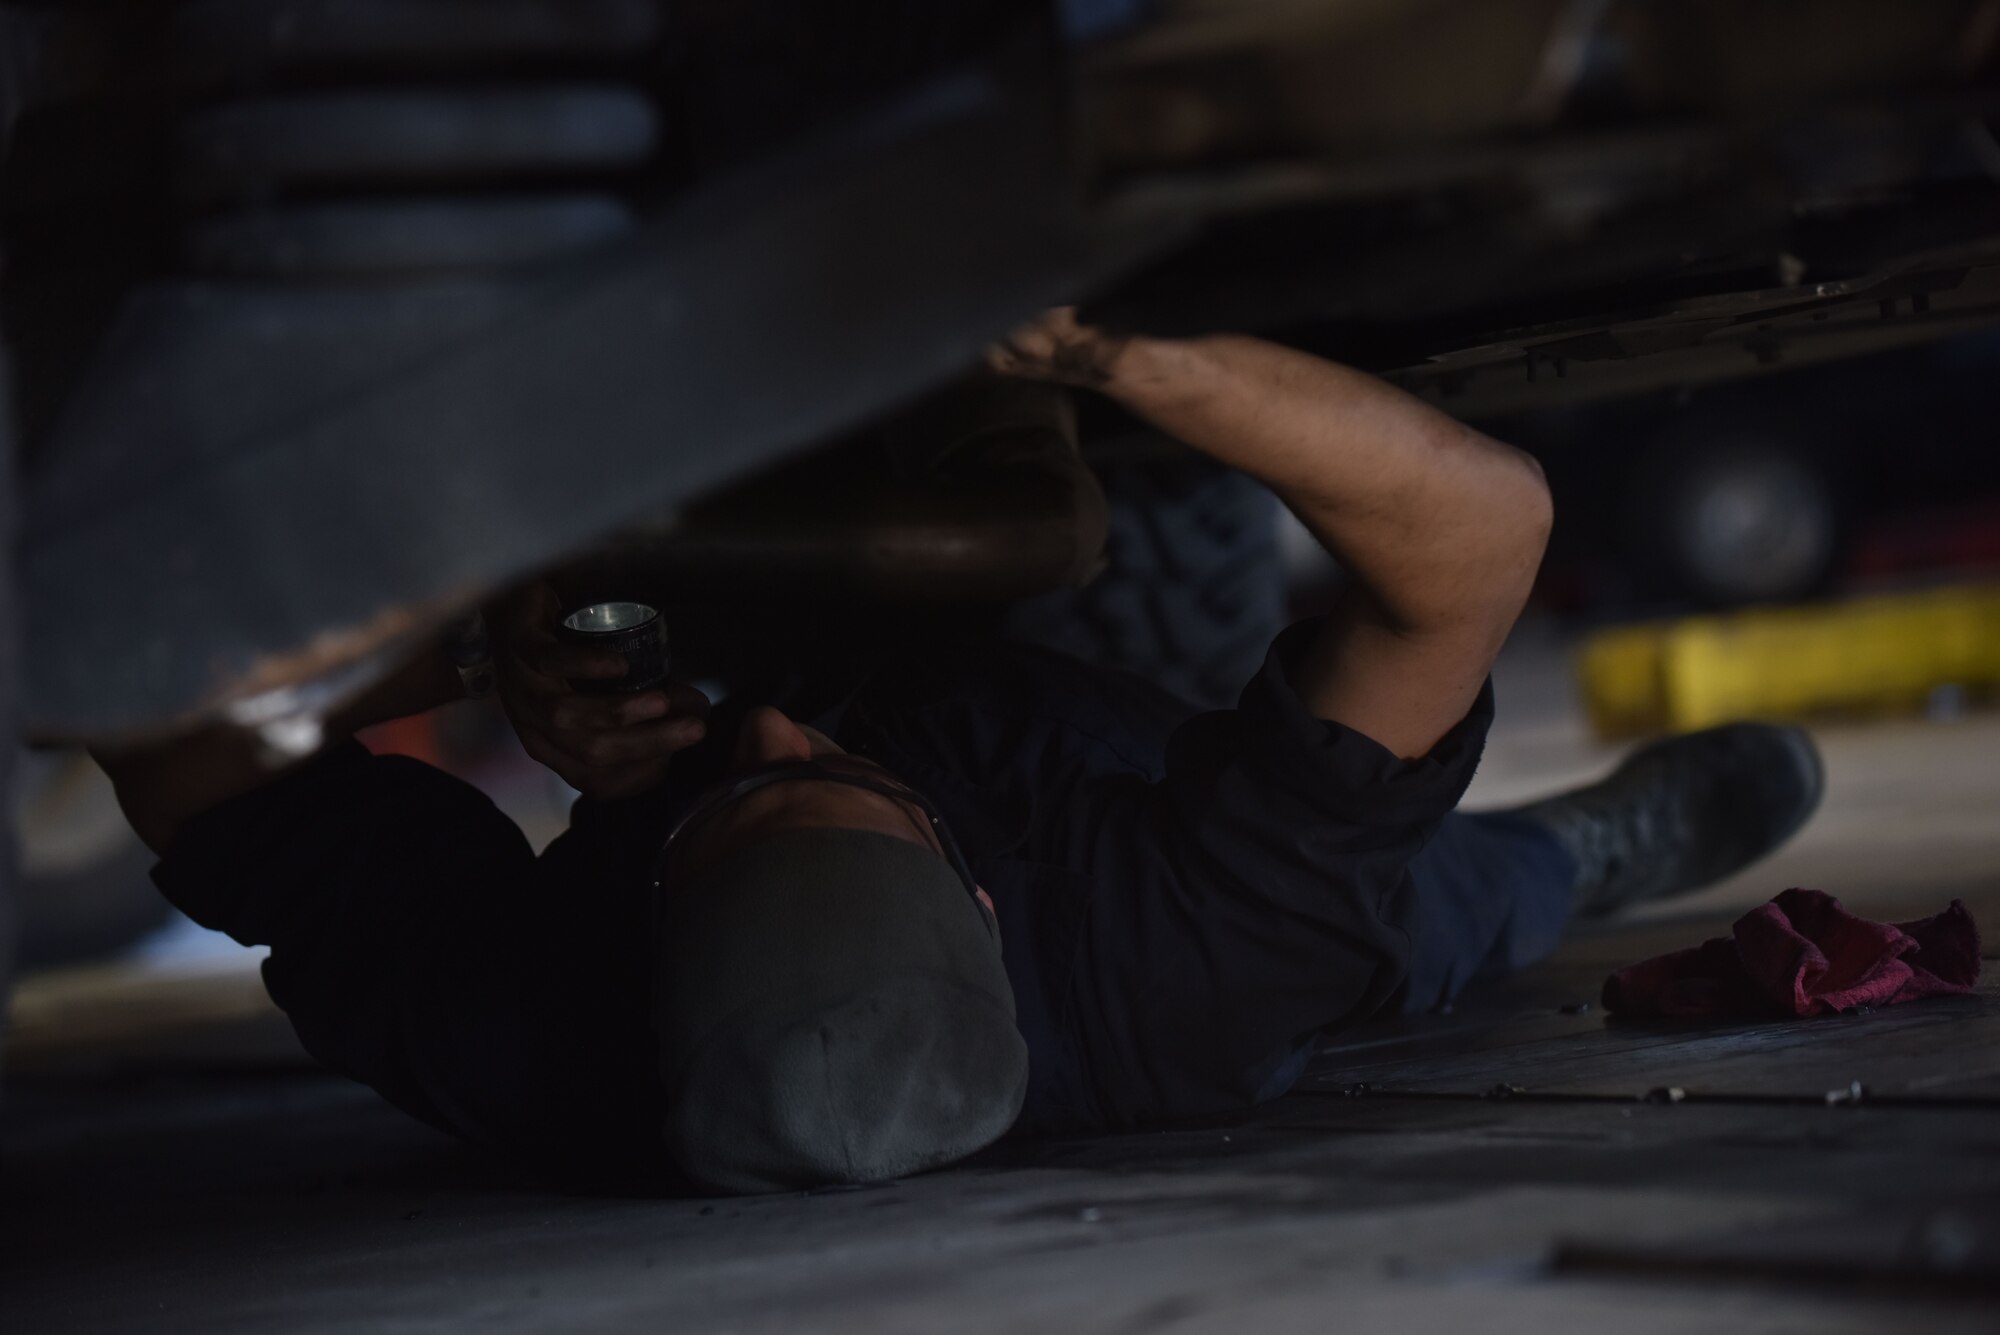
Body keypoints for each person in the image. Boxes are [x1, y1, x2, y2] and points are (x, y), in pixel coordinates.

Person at [95, 311, 1823, 1194]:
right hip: (1138, 799)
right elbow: (1477, 530)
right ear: (976, 896)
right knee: (1458, 902)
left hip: (847, 679)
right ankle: (1596, 843)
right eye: (816, 773)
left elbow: (140, 704)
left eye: (732, 795)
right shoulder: (1201, 952)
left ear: (645, 937)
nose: (772, 727)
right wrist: (1114, 350)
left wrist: (489, 641)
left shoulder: (531, 1039)